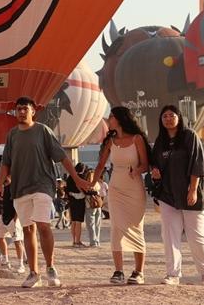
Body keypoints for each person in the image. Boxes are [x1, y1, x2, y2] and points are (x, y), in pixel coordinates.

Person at [0, 96, 89, 289]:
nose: (21, 112)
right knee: (28, 229)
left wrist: (77, 178)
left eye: (25, 109)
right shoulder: (11, 135)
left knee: (43, 226)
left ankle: (51, 267)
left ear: (33, 111)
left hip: (42, 185)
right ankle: (34, 273)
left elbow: (62, 157)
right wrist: (0, 183)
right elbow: (6, 162)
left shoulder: (42, 131)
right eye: (18, 109)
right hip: (19, 189)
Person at [150, 105, 204, 286]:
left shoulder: (189, 136)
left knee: (195, 236)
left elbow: (197, 163)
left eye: (171, 115)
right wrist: (154, 170)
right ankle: (173, 274)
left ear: (179, 117)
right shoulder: (160, 141)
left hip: (190, 194)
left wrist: (193, 189)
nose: (168, 119)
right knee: (169, 235)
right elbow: (154, 163)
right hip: (168, 195)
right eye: (164, 116)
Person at [92, 106, 149, 285]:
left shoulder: (137, 139)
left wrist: (137, 170)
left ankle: (138, 272)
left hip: (134, 187)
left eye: (111, 116)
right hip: (116, 188)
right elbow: (101, 165)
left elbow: (145, 165)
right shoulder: (110, 140)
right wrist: (92, 182)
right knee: (117, 227)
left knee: (136, 227)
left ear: (120, 119)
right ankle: (118, 271)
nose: (108, 119)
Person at [0, 185, 26, 275]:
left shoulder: (15, 188)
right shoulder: (4, 187)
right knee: (0, 237)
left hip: (13, 218)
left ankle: (21, 264)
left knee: (17, 241)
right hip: (4, 216)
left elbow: (19, 203)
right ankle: (5, 260)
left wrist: (16, 217)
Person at [65, 163, 88, 247]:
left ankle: (74, 241)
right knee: (78, 222)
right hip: (80, 201)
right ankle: (78, 241)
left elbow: (66, 189)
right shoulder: (81, 178)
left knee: (73, 221)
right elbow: (85, 190)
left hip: (72, 201)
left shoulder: (69, 177)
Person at [84, 167, 103, 248]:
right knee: (97, 224)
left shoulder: (86, 184)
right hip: (98, 205)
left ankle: (93, 242)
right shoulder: (97, 184)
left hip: (90, 205)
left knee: (90, 224)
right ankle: (97, 241)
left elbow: (84, 193)